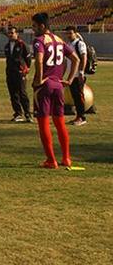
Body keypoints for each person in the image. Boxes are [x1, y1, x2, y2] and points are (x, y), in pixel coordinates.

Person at [31, 13, 80, 169]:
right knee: (60, 123)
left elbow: (39, 59)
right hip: (58, 85)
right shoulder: (59, 40)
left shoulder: (39, 41)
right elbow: (76, 60)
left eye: (34, 26)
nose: (33, 30)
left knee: (43, 122)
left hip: (45, 86)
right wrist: (70, 79)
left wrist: (39, 78)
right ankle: (66, 158)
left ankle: (51, 160)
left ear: (42, 26)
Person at [4, 26, 32, 122]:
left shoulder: (22, 44)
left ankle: (28, 114)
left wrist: (26, 69)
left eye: (12, 33)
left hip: (20, 73)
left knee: (22, 93)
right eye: (9, 33)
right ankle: (18, 114)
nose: (10, 35)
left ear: (17, 34)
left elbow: (28, 59)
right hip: (10, 73)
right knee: (13, 94)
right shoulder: (7, 46)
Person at [64, 26, 88, 126]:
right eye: (68, 33)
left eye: (71, 33)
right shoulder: (69, 44)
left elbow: (84, 58)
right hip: (72, 75)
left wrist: (81, 72)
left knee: (79, 96)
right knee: (75, 96)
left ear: (75, 33)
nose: (69, 35)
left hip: (78, 75)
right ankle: (78, 116)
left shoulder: (80, 44)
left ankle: (82, 117)